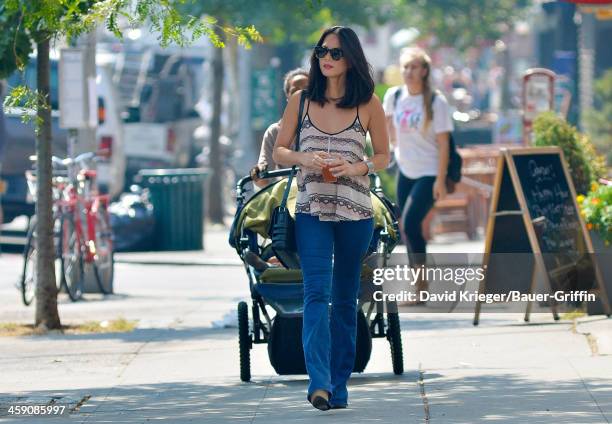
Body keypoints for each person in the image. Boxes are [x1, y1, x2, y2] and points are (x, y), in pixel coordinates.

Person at [273, 26, 389, 411]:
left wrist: (356, 166)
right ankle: (318, 383)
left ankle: (339, 386)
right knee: (315, 295)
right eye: (322, 50)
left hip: (356, 213)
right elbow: (280, 151)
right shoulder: (302, 100)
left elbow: (385, 158)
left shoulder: (369, 103)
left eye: (336, 53)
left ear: (351, 58)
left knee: (344, 301)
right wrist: (303, 158)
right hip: (311, 210)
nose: (327, 57)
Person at [382, 47, 453, 303]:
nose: (409, 72)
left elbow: (445, 143)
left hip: (430, 171)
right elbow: (387, 128)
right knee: (406, 226)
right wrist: (386, 150)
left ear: (424, 71)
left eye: (414, 67)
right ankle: (419, 282)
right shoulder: (395, 95)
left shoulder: (436, 101)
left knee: (411, 223)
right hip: (405, 169)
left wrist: (441, 180)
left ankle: (420, 287)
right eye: (405, 67)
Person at [250, 68, 309, 188]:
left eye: (307, 90)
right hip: (288, 199)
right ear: (288, 98)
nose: (301, 95)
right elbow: (262, 179)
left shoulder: (328, 127)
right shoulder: (275, 131)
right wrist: (256, 172)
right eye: (295, 92)